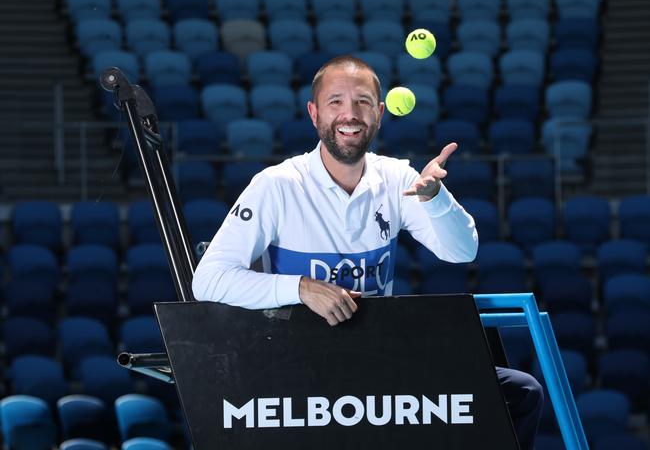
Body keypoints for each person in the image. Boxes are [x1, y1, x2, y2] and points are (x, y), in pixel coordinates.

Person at [192, 56, 543, 449]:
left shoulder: (398, 179)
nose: (350, 114)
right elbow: (208, 280)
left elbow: (462, 251)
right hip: (299, 365)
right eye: (336, 102)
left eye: (361, 102)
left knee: (519, 392)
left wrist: (434, 198)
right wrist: (302, 288)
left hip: (379, 358)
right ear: (314, 113)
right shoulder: (276, 186)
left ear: (378, 113)